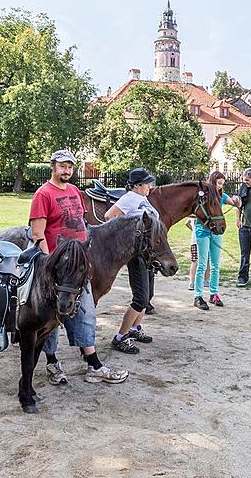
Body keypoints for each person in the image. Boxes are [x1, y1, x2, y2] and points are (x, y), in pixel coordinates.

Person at [29, 149, 128, 384]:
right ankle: (52, 362)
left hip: (78, 266)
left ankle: (93, 364)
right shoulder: (43, 194)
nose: (67, 171)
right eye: (63, 166)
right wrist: (47, 265)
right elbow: (37, 233)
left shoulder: (74, 191)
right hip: (56, 267)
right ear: (52, 166)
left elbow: (82, 224)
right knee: (53, 317)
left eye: (70, 167)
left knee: (85, 311)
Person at [105, 168, 158, 354]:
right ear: (137, 185)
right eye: (147, 183)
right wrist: (127, 236)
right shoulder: (130, 198)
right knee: (140, 298)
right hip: (137, 253)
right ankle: (120, 337)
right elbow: (109, 216)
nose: (150, 186)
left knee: (148, 295)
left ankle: (135, 329)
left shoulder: (142, 199)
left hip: (148, 253)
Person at [193, 171, 241, 310]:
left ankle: (214, 294)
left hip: (217, 232)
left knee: (215, 265)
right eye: (218, 183)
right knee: (202, 264)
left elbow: (235, 203)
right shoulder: (204, 196)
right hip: (203, 231)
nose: (220, 186)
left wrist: (237, 200)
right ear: (213, 181)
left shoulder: (222, 196)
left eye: (222, 184)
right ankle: (198, 295)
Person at [185, 216, 210, 291]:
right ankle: (206, 280)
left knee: (195, 261)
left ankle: (192, 282)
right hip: (203, 241)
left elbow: (186, 223)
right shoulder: (203, 216)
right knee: (207, 261)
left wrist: (193, 230)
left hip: (194, 241)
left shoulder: (193, 215)